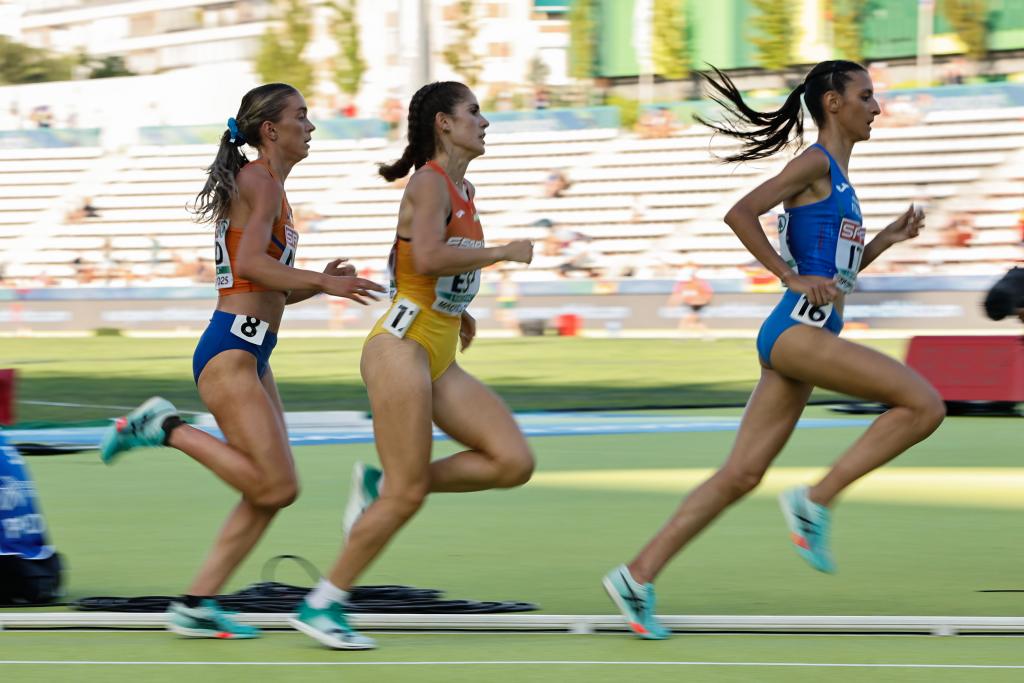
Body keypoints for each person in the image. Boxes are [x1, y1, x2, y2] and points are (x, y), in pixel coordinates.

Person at [602, 61, 945, 639]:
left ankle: (636, 577)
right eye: (866, 96)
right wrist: (785, 275)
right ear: (833, 103)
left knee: (740, 475)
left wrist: (885, 238)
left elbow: (834, 279)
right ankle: (816, 501)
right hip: (795, 333)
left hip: (804, 334)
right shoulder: (813, 163)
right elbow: (740, 213)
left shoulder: (838, 179)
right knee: (924, 405)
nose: (877, 107)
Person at [97, 83, 384, 640]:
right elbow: (252, 262)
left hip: (252, 350)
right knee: (276, 488)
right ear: (270, 130)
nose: (311, 125)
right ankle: (165, 428)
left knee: (270, 490)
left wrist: (320, 286)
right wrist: (321, 279)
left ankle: (196, 603)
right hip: (231, 348)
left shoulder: (270, 187)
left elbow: (264, 287)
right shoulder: (259, 180)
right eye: (302, 116)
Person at [289, 81, 535, 650]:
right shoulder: (429, 182)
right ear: (444, 123)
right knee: (408, 494)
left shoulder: (462, 185)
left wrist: (457, 309)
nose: (485, 121)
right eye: (474, 112)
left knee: (511, 461)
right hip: (400, 348)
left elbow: (417, 263)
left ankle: (382, 484)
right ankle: (322, 604)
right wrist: (500, 252)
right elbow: (426, 254)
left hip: (437, 345)